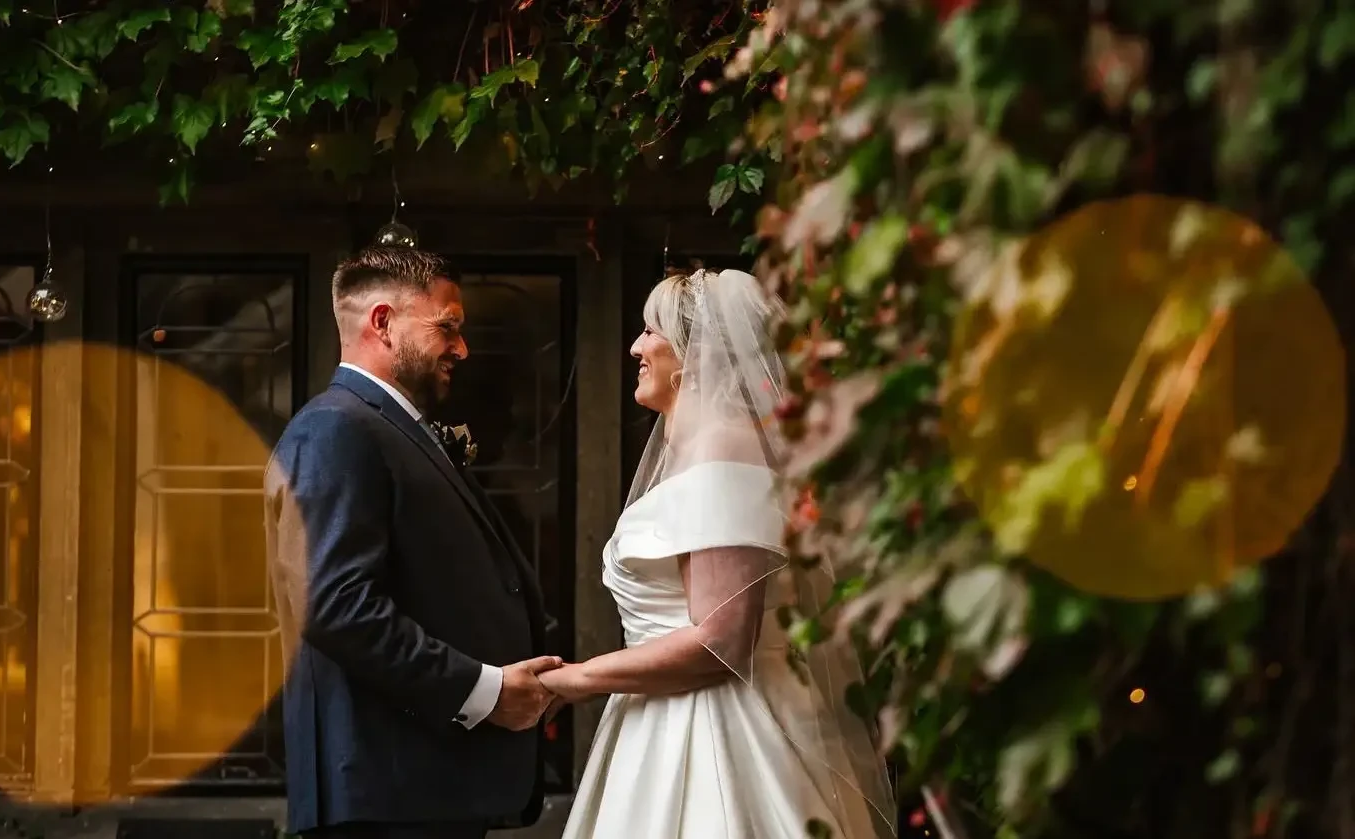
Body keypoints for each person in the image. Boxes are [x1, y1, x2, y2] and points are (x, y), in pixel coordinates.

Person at [540, 268, 898, 838]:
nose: (636, 347)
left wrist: (581, 678)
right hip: (663, 717)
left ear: (693, 354)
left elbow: (722, 639)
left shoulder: (720, 448)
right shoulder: (705, 449)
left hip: (714, 727)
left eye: (650, 330)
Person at [264, 245, 557, 839]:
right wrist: (483, 691)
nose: (461, 348)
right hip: (383, 795)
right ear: (382, 322)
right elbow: (335, 604)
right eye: (447, 326)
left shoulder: (385, 427)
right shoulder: (333, 429)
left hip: (423, 788)